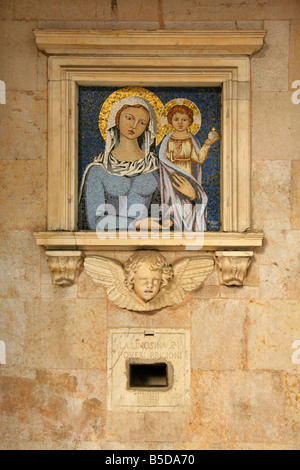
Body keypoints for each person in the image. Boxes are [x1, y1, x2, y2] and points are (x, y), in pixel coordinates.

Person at [79, 96, 166, 231]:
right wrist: (136, 224)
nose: (134, 125)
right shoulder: (98, 170)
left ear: (148, 128)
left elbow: (167, 214)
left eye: (142, 122)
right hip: (106, 245)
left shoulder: (155, 168)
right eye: (129, 118)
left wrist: (192, 197)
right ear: (117, 119)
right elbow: (94, 221)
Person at [159, 103, 219, 232]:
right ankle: (174, 225)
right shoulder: (168, 139)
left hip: (188, 175)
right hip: (172, 175)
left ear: (190, 122)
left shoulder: (191, 139)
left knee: (188, 202)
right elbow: (163, 158)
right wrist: (173, 152)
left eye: (184, 120)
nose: (180, 123)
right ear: (170, 121)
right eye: (176, 119)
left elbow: (199, 159)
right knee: (175, 204)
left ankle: (189, 227)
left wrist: (207, 145)